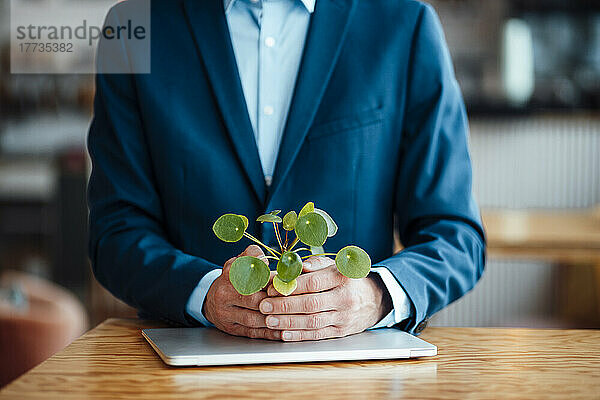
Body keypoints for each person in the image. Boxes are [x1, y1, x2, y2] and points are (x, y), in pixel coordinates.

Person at [88, 0, 486, 341]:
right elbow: (116, 231)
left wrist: (375, 295)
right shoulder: (133, 29)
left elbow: (455, 235)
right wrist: (203, 294)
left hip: (357, 375)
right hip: (180, 369)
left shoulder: (405, 24)